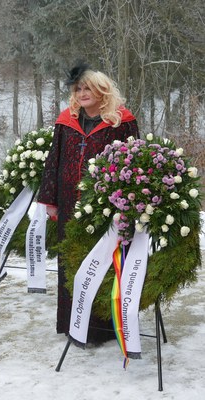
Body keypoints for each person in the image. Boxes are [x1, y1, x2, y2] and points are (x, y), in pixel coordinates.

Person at [38, 62, 139, 342]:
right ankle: (73, 324)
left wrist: (128, 203)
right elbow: (53, 161)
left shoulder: (121, 121)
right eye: (78, 89)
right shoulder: (66, 121)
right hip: (69, 203)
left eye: (87, 88)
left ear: (101, 90)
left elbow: (134, 161)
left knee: (101, 261)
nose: (82, 93)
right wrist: (50, 199)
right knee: (71, 260)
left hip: (105, 207)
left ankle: (101, 329)